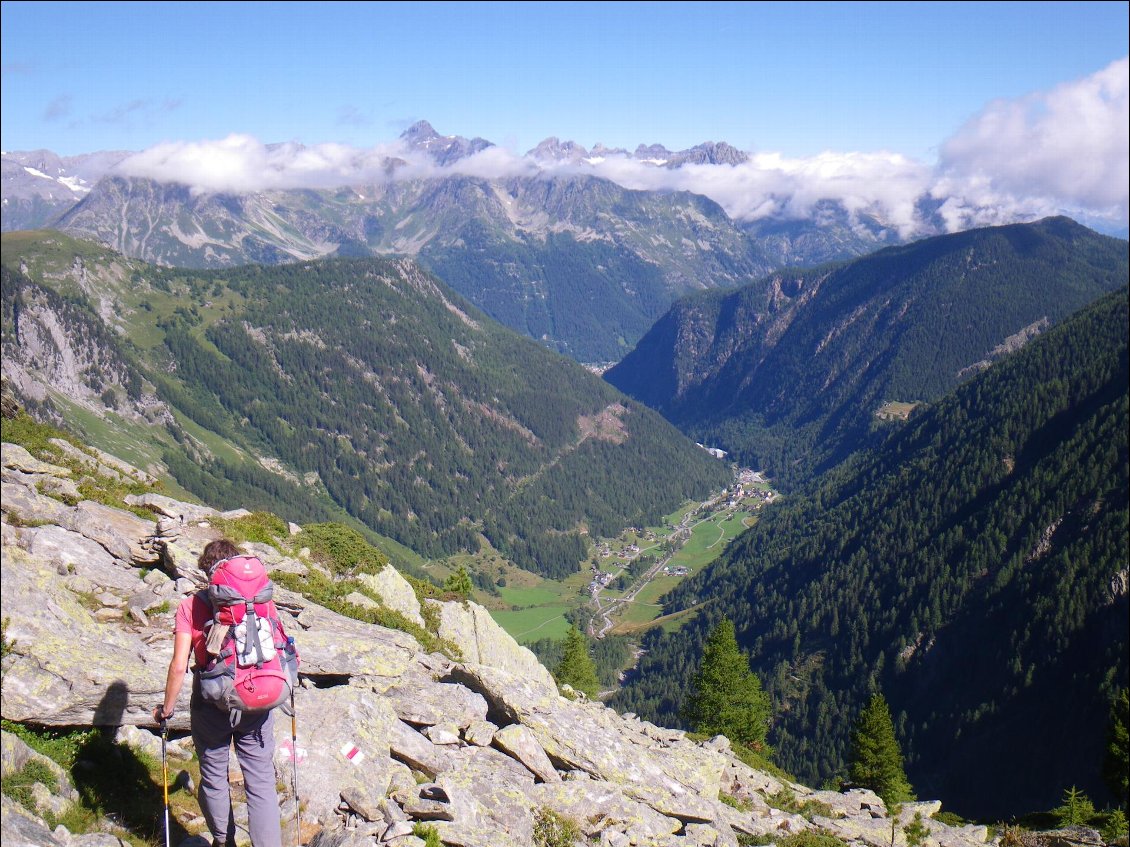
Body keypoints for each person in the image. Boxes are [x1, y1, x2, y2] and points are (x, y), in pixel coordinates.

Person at [154, 539, 283, 847]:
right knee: (261, 782)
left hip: (211, 701)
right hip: (256, 699)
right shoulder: (259, 603)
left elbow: (177, 666)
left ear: (207, 573)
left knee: (213, 775)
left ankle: (224, 842)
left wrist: (167, 710)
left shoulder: (190, 607)